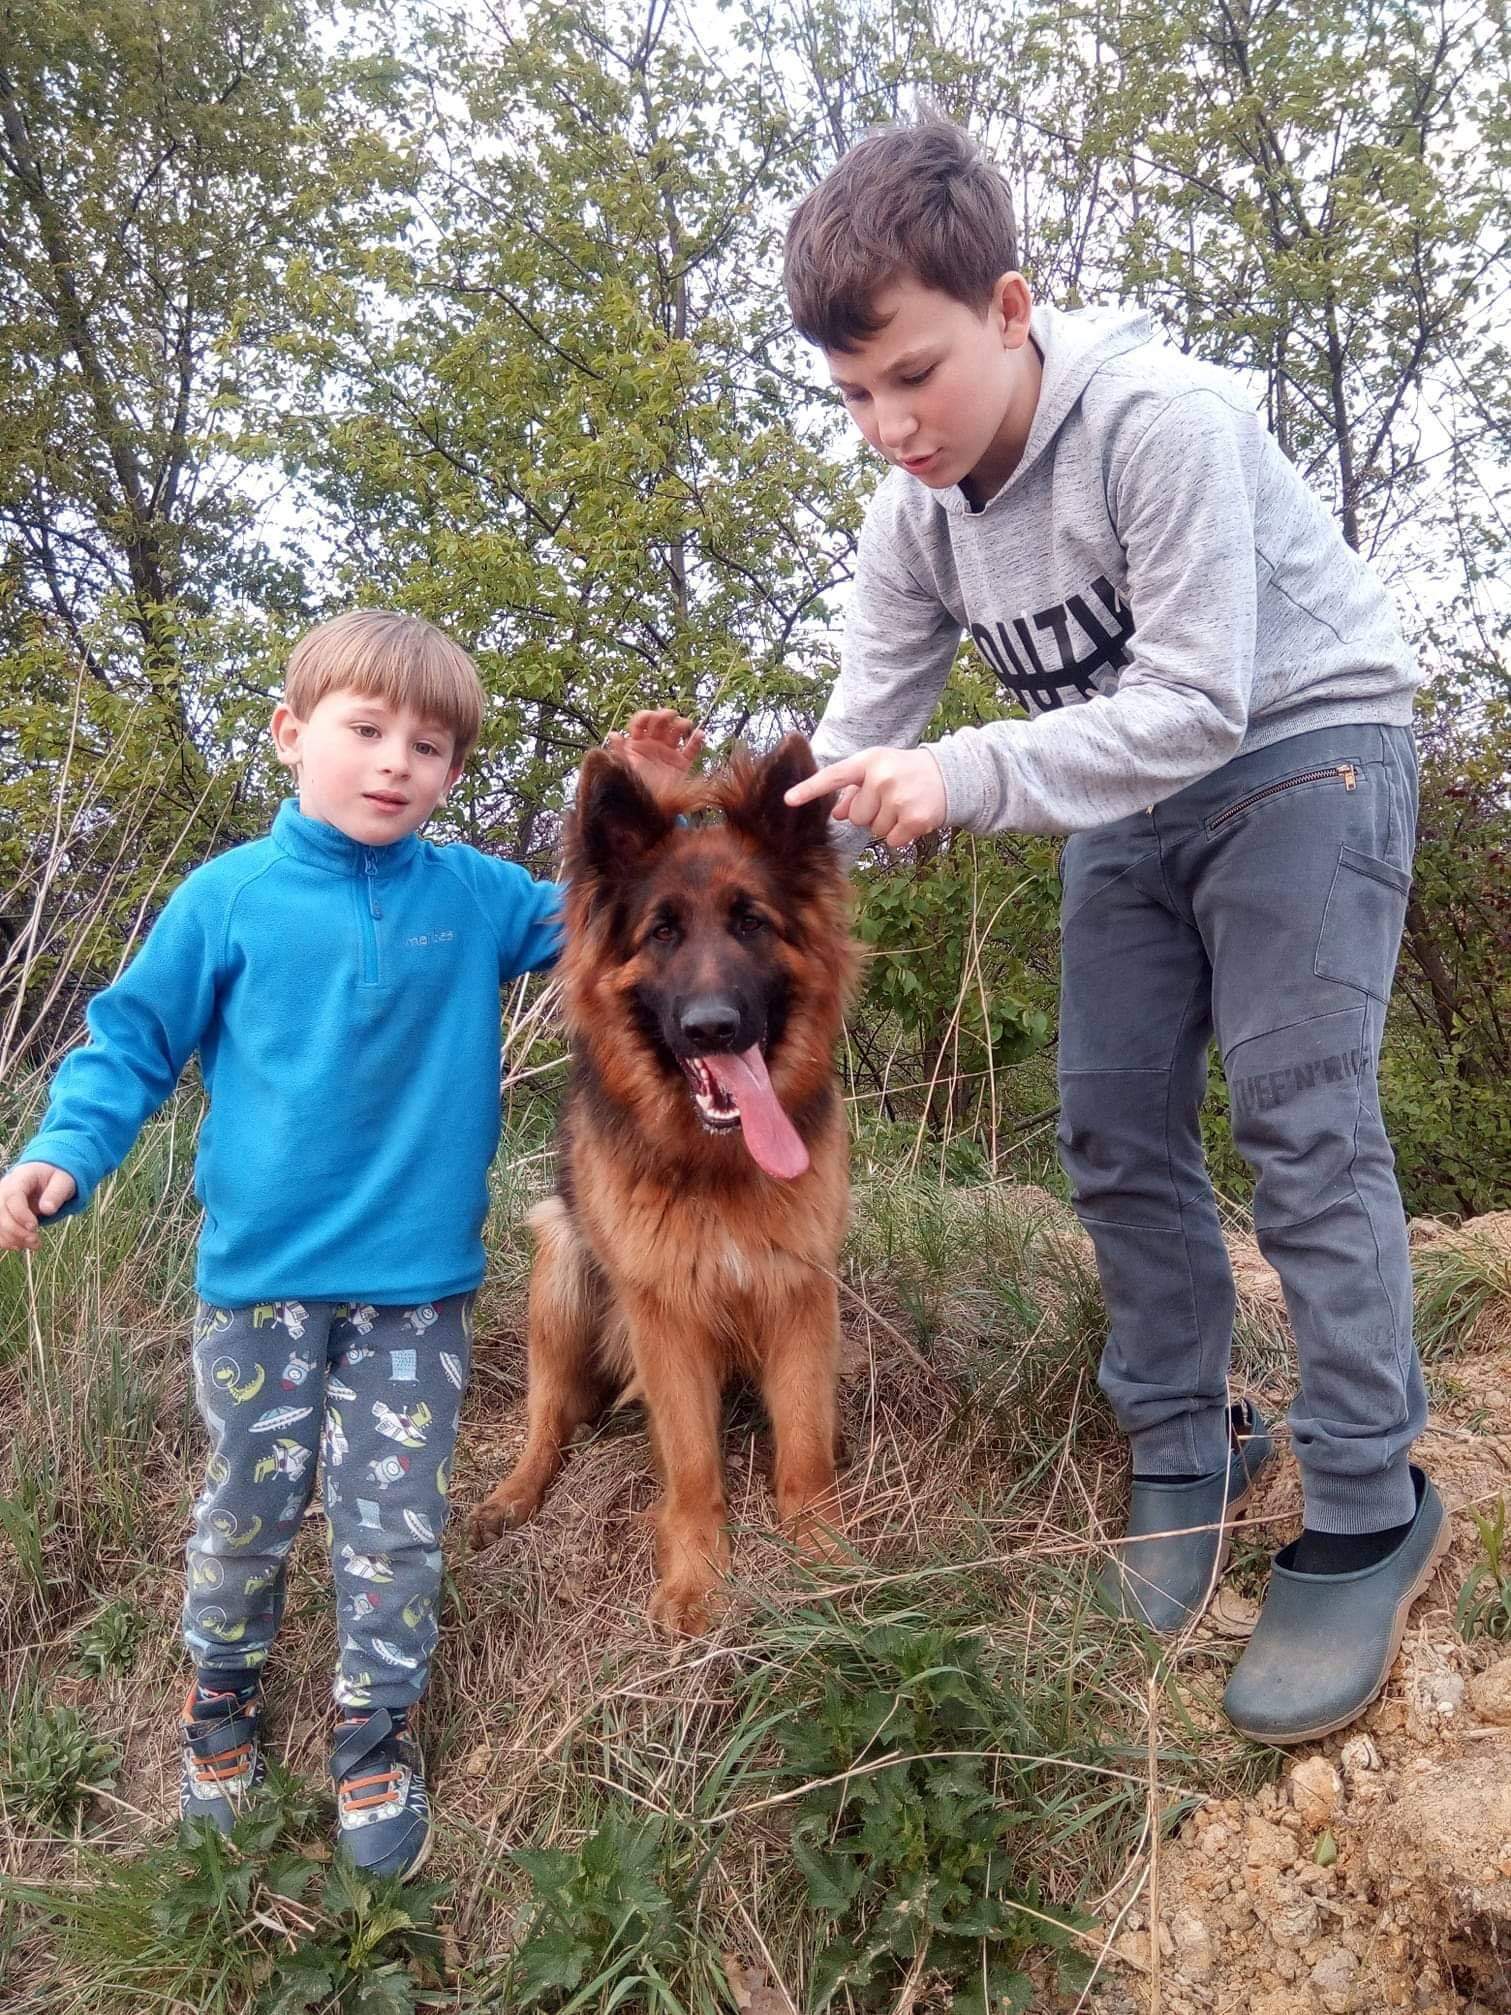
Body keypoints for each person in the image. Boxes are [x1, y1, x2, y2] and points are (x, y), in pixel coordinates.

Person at [773, 115, 1444, 1744]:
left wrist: (963, 775)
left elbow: (1199, 699)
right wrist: (725, 864)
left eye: (913, 374)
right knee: (1109, 1119)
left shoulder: (1161, 421)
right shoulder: (912, 521)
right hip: (1127, 798)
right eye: (852, 394)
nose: (889, 426)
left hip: (1304, 744)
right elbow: (856, 749)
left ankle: (1368, 1500)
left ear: (1007, 310)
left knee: (1296, 1110)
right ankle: (1182, 1443)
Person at [0, 610, 567, 1874]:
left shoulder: (476, 895)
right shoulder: (230, 897)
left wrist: (654, 793)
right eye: (366, 729)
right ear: (290, 733)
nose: (395, 762)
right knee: (248, 1509)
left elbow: (622, 907)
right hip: (260, 1286)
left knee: (394, 1524)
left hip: (416, 1290)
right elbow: (130, 1043)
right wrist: (63, 1152)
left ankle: (372, 1733)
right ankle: (219, 1708)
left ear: (453, 771)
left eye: (429, 746)